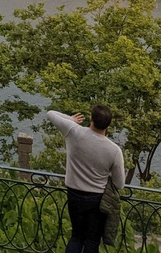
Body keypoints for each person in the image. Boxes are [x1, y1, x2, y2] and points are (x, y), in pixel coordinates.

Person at [47, 105, 126, 253]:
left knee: (76, 237)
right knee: (91, 240)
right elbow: (119, 183)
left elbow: (51, 114)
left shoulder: (74, 131)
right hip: (96, 200)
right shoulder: (114, 150)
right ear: (109, 124)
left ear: (91, 119)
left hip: (73, 194)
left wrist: (70, 119)